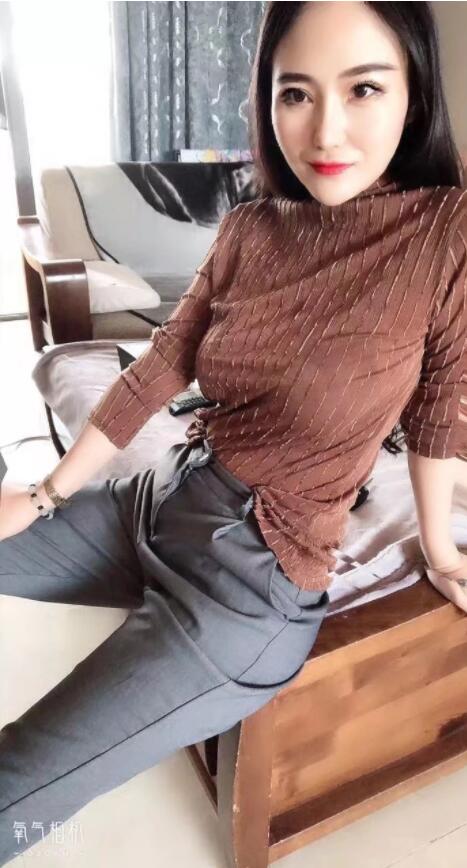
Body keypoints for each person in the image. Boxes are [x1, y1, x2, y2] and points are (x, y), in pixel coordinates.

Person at [1, 1, 466, 863]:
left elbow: (440, 409)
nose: (325, 129)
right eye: (296, 92)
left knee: (13, 783)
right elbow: (158, 367)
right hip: (156, 501)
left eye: (363, 88)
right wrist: (42, 492)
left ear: (414, 95)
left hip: (246, 588)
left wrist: (439, 551)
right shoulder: (251, 226)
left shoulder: (446, 231)